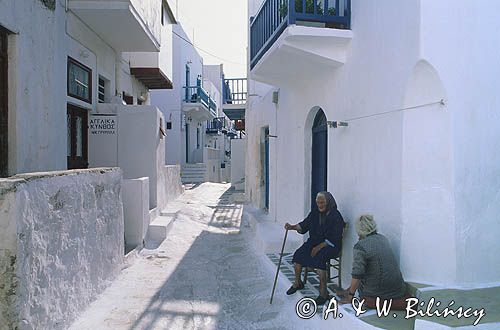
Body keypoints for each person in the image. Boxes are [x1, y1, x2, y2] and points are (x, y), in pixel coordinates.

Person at [284, 191, 345, 305]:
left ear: (329, 203)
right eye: (318, 203)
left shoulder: (335, 216)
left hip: (331, 245)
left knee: (320, 258)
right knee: (298, 254)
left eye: (322, 203)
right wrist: (292, 227)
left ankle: (323, 294)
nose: (320, 205)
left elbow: (335, 237)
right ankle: (298, 283)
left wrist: (319, 247)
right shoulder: (314, 213)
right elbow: (304, 225)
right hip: (314, 243)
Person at [336, 215, 406, 304]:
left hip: (380, 292)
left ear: (359, 230)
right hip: (399, 289)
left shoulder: (360, 246)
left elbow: (357, 274)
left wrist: (351, 296)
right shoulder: (382, 238)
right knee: (367, 268)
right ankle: (348, 290)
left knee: (359, 273)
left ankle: (349, 292)